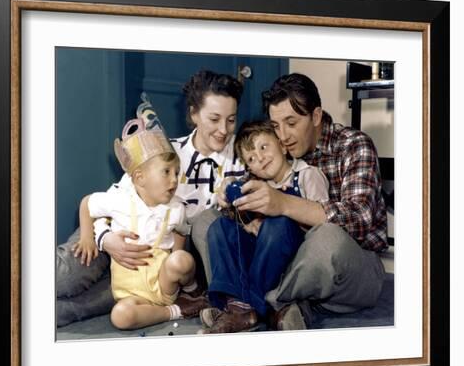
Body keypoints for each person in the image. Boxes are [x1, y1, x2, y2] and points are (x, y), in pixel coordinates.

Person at [56, 70, 244, 327]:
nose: (223, 130)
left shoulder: (244, 161)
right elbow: (114, 201)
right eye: (214, 119)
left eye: (231, 120)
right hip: (111, 231)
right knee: (61, 278)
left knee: (64, 310)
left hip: (156, 265)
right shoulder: (163, 151)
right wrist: (106, 239)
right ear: (193, 115)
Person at [230, 73, 388, 330]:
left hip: (351, 268)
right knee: (208, 223)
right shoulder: (280, 152)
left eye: (291, 123)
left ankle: (253, 303)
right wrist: (233, 192)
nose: (282, 136)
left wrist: (283, 204)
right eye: (276, 126)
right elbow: (252, 178)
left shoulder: (354, 145)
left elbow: (360, 220)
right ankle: (287, 308)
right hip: (295, 263)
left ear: (316, 116)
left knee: (328, 238)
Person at [73, 111, 209, 330]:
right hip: (130, 292)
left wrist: (177, 259)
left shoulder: (175, 209)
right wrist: (88, 237)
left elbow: (181, 232)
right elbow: (87, 203)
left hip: (163, 285)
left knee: (181, 260)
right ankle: (174, 311)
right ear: (139, 178)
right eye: (166, 172)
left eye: (176, 173)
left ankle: (193, 292)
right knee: (121, 316)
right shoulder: (121, 200)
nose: (174, 180)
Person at [200, 121, 329, 333]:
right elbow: (236, 214)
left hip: (293, 258)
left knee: (278, 224)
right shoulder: (257, 184)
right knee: (220, 227)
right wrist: (246, 219)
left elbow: (322, 228)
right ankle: (237, 304)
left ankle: (245, 309)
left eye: (263, 147)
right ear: (249, 168)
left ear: (282, 145)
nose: (259, 158)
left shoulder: (307, 175)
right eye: (251, 158)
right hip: (262, 257)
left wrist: (280, 214)